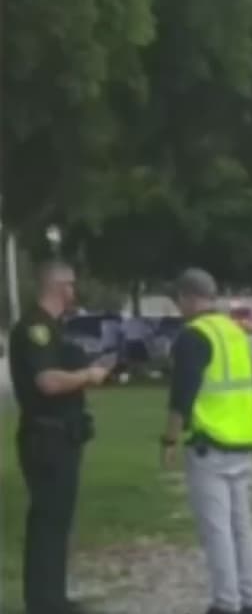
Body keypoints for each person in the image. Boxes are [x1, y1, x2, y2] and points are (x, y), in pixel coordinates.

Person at [8, 260, 113, 614]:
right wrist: (88, 375)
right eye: (70, 284)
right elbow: (48, 381)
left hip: (62, 435)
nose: (74, 291)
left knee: (56, 522)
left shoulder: (54, 327)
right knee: (48, 522)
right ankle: (43, 602)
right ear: (57, 286)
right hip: (46, 437)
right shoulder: (35, 328)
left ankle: (52, 597)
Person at [161, 268, 252, 614]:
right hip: (242, 438)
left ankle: (225, 603)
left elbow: (182, 396)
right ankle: (250, 599)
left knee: (216, 530)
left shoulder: (193, 336)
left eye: (178, 299)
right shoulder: (234, 331)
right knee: (241, 528)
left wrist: (170, 439)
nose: (178, 306)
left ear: (189, 297)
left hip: (210, 443)